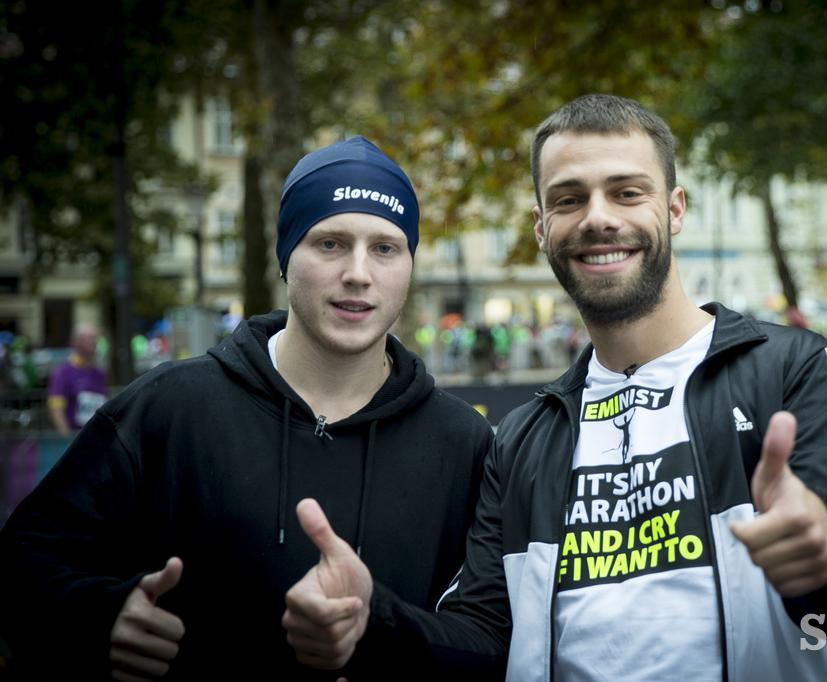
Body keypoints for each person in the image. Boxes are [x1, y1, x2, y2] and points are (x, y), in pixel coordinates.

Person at [293, 95, 827, 680]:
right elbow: (482, 637)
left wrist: (822, 563)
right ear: (541, 227)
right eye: (569, 198)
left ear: (675, 209)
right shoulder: (524, 437)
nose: (599, 217)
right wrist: (374, 622)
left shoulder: (792, 369)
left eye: (627, 192)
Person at [0, 136, 494, 679]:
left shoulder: (461, 442)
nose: (358, 272)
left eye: (385, 247)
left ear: (407, 265)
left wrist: (376, 627)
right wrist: (97, 618)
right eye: (330, 243)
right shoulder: (170, 409)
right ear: (286, 258)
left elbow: (491, 642)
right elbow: (24, 562)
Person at [47, 323, 107, 436]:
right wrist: (67, 438)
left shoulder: (99, 374)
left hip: (96, 439)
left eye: (96, 338)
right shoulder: (62, 372)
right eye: (90, 338)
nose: (94, 342)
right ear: (76, 342)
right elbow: (56, 409)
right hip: (74, 438)